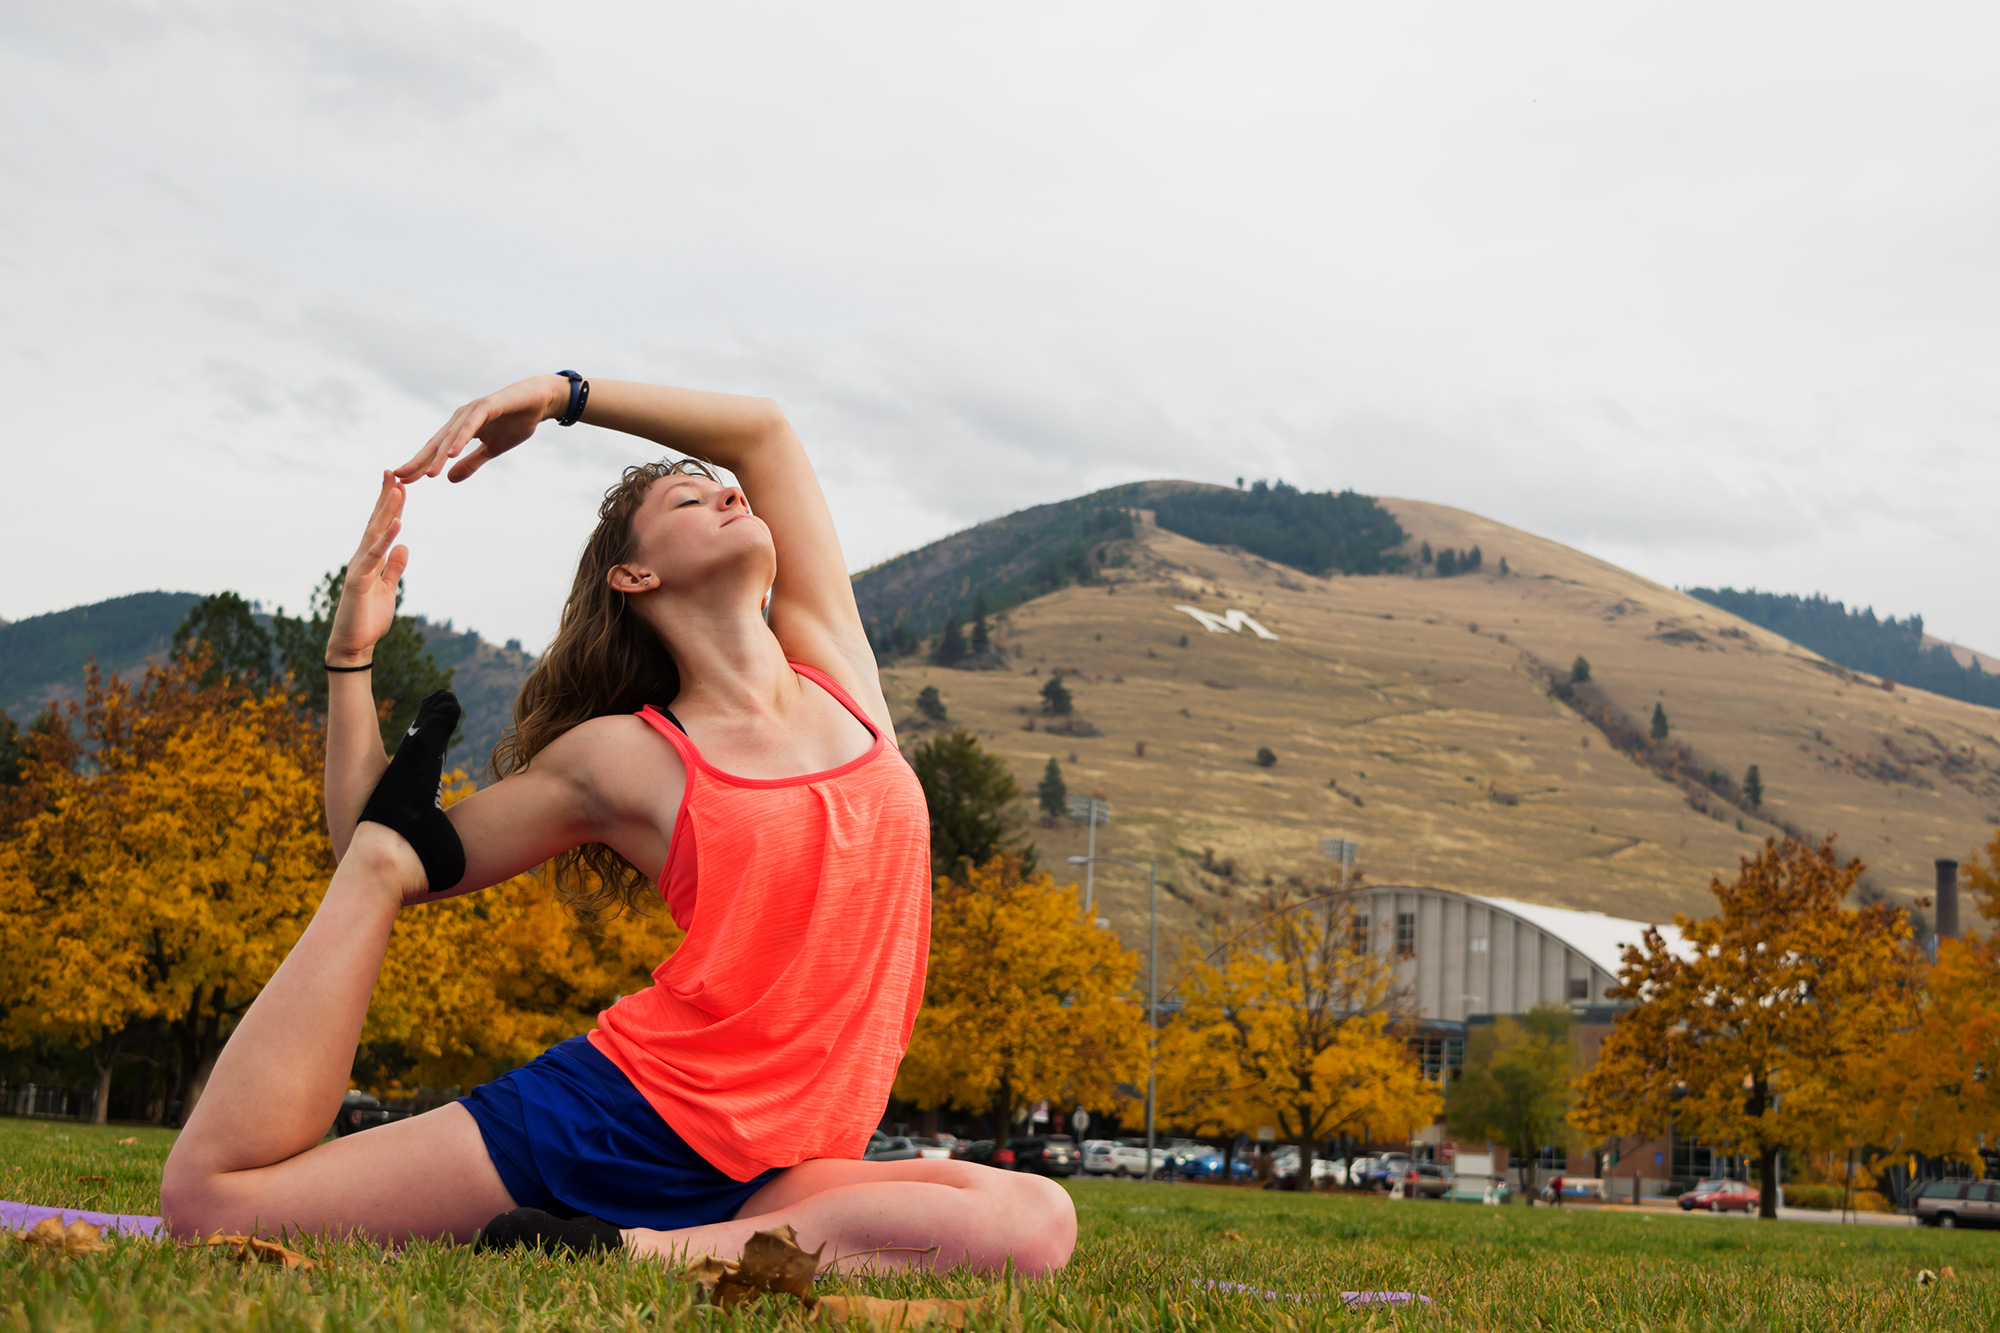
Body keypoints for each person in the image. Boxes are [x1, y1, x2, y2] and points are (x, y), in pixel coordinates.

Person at [160, 374, 1075, 1273]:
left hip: (772, 1167)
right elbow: (388, 848)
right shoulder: (622, 756)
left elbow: (762, 434)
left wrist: (563, 395)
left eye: (721, 488)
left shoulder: (840, 672)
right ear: (634, 573)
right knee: (211, 1205)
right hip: (618, 1119)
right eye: (688, 496)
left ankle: (627, 1254)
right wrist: (351, 657)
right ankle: (651, 1244)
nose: (728, 490)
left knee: (1035, 1220)